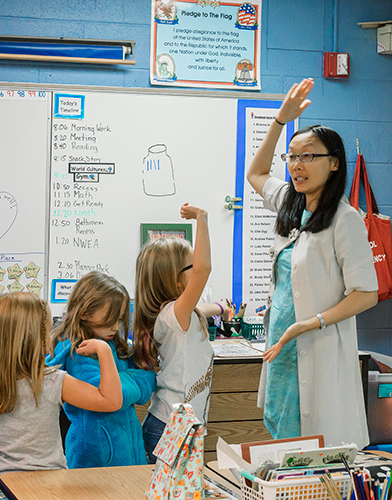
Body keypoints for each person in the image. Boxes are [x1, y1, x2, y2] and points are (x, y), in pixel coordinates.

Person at [246, 77, 377, 447]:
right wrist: (278, 122)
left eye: (308, 156)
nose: (296, 165)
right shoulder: (291, 201)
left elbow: (366, 294)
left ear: (334, 163)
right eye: (292, 156)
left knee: (316, 448)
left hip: (317, 345)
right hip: (283, 347)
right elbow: (255, 174)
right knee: (284, 446)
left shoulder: (345, 219)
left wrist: (309, 323)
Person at [0, 292, 123, 500]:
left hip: (1, 489)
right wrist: (104, 350)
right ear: (35, 336)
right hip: (48, 489)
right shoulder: (51, 381)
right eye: (48, 329)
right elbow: (112, 401)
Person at [46, 271, 156, 468]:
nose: (115, 326)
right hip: (96, 455)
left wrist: (120, 380)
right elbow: (109, 399)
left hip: (129, 449)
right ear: (86, 312)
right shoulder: (76, 350)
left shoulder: (111, 342)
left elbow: (148, 379)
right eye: (110, 319)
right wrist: (127, 380)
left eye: (119, 318)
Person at [134, 204, 214, 463]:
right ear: (176, 280)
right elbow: (204, 269)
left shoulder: (179, 315)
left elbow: (203, 306)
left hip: (184, 427)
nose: (198, 269)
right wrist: (202, 219)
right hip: (170, 428)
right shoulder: (172, 316)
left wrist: (221, 308)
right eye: (191, 266)